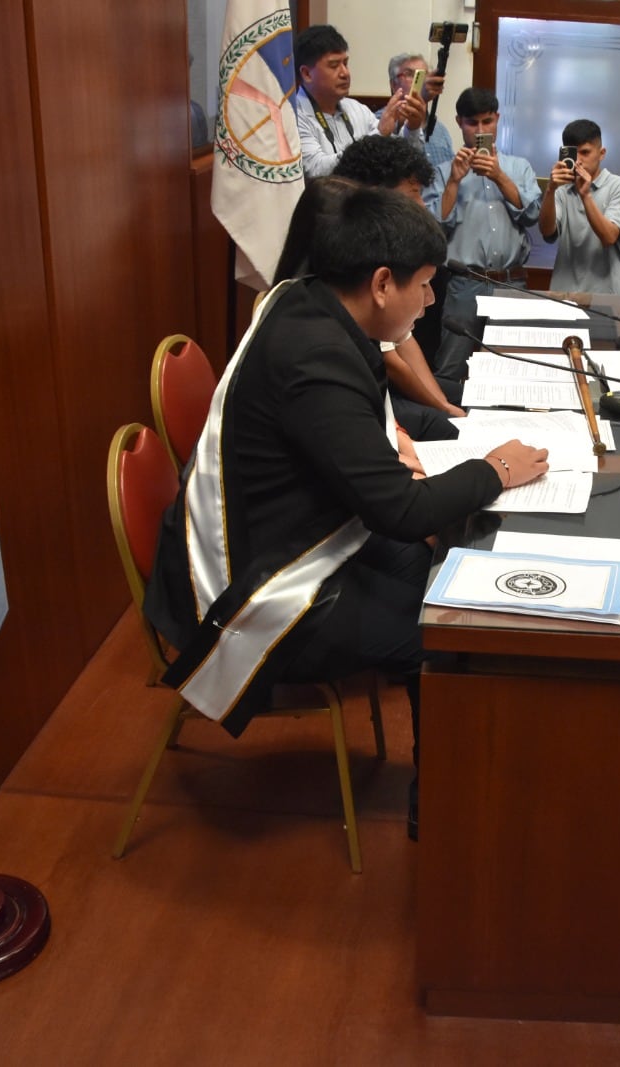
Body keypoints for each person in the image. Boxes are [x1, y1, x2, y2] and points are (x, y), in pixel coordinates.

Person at [143, 188, 548, 838]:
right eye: (424, 284)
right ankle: (443, 806)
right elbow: (398, 508)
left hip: (284, 530)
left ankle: (455, 772)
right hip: (251, 586)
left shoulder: (307, 302)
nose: (431, 300)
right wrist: (494, 469)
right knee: (443, 629)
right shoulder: (314, 356)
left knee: (436, 572)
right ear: (382, 283)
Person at [330, 139, 464, 421]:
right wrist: (443, 411)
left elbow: (404, 338)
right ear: (375, 196)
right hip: (361, 390)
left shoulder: (387, 246)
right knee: (441, 423)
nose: (421, 206)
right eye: (412, 195)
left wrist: (443, 404)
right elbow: (391, 361)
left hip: (379, 382)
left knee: (464, 395)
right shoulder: (354, 254)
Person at [424, 87, 542, 392]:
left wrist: (500, 176)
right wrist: (454, 181)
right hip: (465, 284)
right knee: (451, 367)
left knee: (513, 368)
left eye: (487, 122)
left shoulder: (519, 167)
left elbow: (533, 215)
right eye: (472, 123)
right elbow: (434, 229)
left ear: (497, 119)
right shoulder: (443, 172)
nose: (480, 131)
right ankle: (448, 418)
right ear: (459, 123)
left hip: (511, 282)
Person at [293, 25, 426, 180]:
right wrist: (379, 135)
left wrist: (412, 127)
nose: (345, 73)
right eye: (334, 66)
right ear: (307, 74)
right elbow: (317, 170)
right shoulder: (293, 116)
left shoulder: (357, 109)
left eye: (345, 63)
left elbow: (397, 160)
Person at [540, 118, 620, 295]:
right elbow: (547, 232)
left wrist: (585, 195)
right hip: (566, 291)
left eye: (585, 152)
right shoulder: (561, 191)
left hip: (611, 294)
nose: (578, 160)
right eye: (573, 153)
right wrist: (550, 189)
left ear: (601, 153)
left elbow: (609, 237)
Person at [383, 52, 452, 167]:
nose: (421, 80)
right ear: (394, 84)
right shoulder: (379, 121)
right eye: (410, 74)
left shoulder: (441, 131)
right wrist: (418, 97)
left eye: (424, 75)